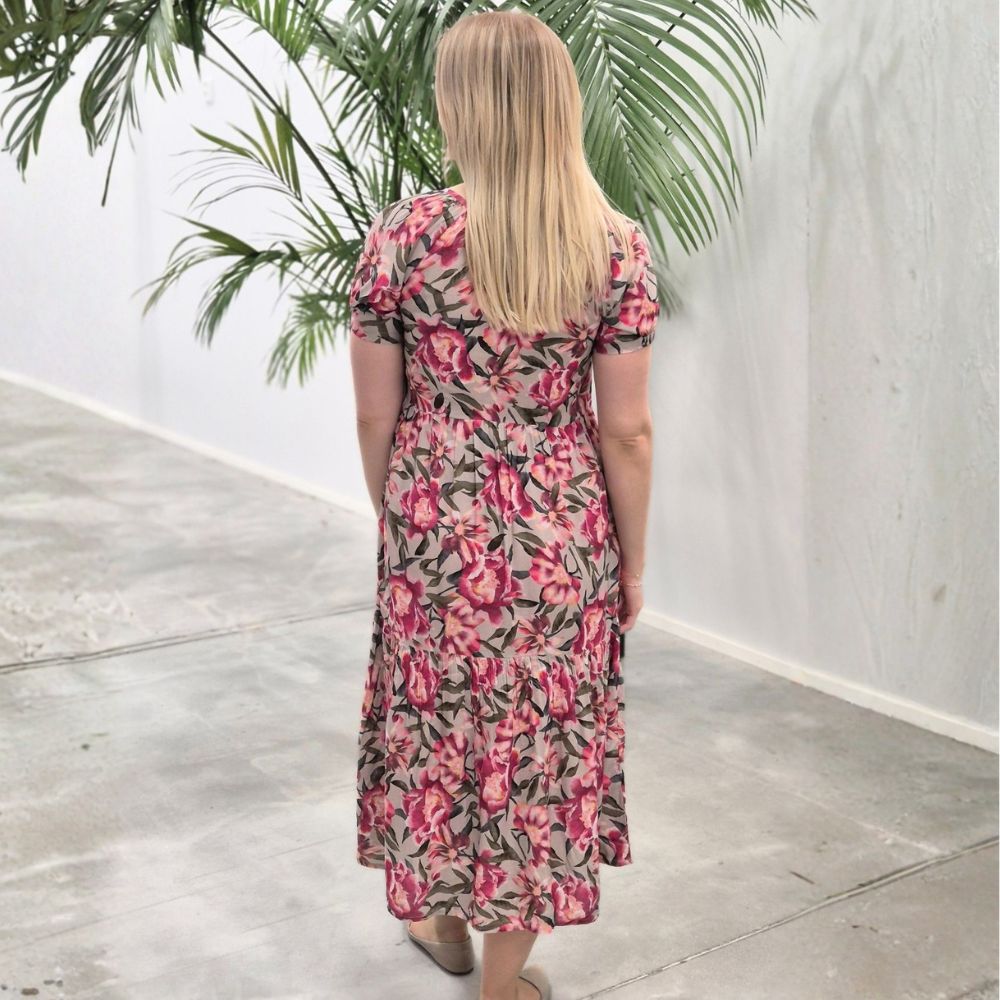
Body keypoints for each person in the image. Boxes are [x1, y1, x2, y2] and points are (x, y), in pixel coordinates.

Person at [348, 10, 658, 1000]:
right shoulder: (613, 246)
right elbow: (626, 431)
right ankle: (501, 981)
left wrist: (402, 519)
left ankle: (440, 915)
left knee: (438, 726)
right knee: (538, 750)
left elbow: (375, 414)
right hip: (560, 538)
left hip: (435, 529)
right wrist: (630, 564)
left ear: (461, 107)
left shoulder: (402, 237)